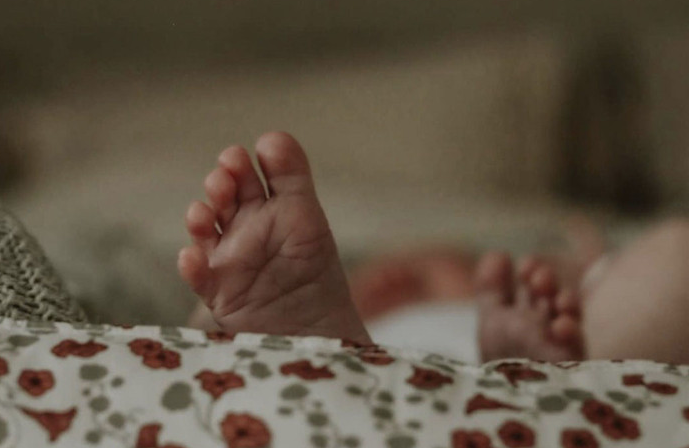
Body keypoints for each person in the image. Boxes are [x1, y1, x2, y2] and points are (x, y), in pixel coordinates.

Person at [178, 132, 689, 364]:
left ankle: (534, 376)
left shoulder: (516, 311)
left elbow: (602, 280)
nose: (395, 274)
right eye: (362, 273)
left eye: (434, 266)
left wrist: (582, 278)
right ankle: (285, 342)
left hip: (520, 378)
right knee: (208, 324)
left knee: (676, 256)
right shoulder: (372, 320)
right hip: (362, 362)